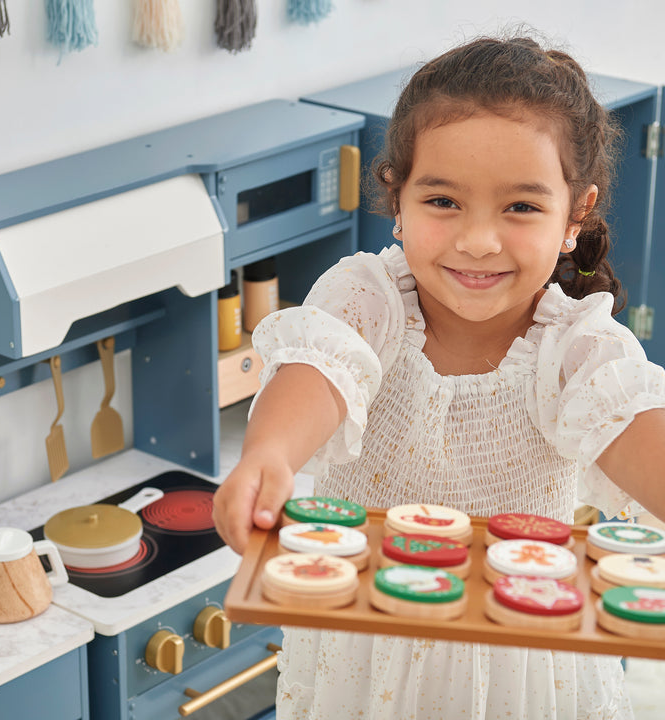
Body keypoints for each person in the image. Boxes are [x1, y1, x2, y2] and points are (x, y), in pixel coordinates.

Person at [213, 34, 665, 719]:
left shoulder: (575, 347)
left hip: (522, 659)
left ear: (574, 215)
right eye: (443, 202)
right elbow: (318, 366)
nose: (477, 241)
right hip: (362, 653)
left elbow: (634, 423)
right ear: (397, 200)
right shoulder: (366, 297)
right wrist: (269, 454)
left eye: (520, 207)